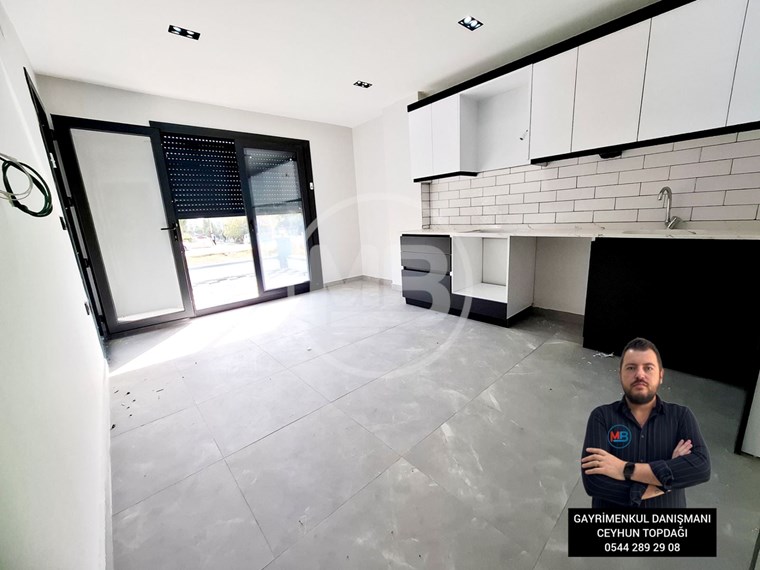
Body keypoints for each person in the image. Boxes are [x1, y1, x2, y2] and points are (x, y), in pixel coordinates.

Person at [581, 337, 711, 508]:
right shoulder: (602, 417)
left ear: (661, 375)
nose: (640, 375)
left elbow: (701, 467)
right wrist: (665, 483)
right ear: (620, 374)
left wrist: (624, 469)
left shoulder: (681, 417)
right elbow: (594, 483)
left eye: (648, 368)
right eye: (631, 368)